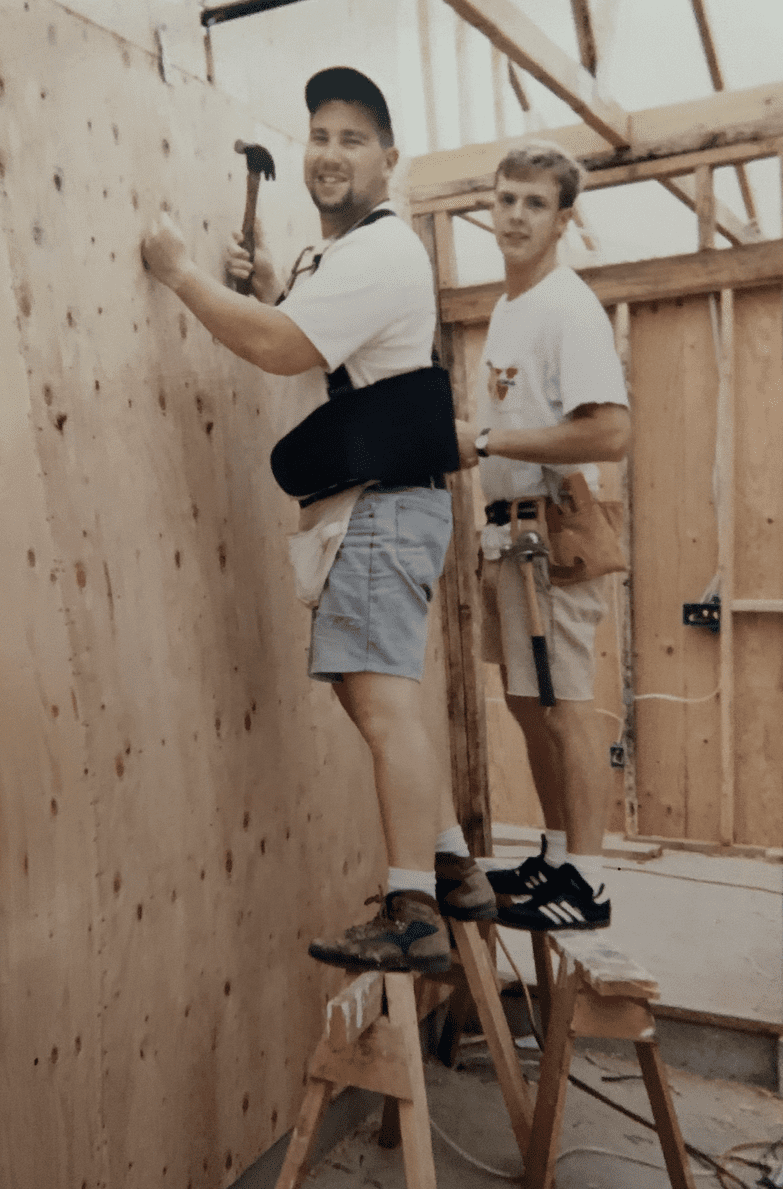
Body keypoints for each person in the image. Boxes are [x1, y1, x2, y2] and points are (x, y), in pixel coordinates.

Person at [141, 67, 496, 974]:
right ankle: (452, 863)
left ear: (388, 158)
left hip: (380, 506)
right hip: (375, 502)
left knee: (380, 705)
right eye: (319, 134)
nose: (330, 152)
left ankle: (413, 908)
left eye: (351, 138)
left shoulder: (379, 251)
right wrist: (268, 282)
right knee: (369, 694)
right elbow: (307, 333)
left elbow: (279, 346)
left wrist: (179, 274)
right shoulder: (344, 255)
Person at [456, 141, 631, 932]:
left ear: (562, 219)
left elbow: (611, 433)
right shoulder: (507, 306)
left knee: (567, 710)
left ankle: (587, 884)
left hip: (552, 532)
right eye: (505, 200)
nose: (515, 215)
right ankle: (558, 855)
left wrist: (489, 443)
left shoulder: (566, 304)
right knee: (527, 704)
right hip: (507, 538)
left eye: (533, 203)